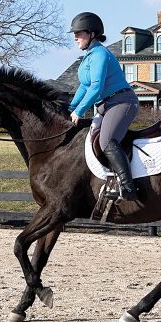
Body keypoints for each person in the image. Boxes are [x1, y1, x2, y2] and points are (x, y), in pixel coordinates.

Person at [68, 12, 139, 201]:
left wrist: (80, 111)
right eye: (74, 34)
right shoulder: (87, 58)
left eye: (79, 33)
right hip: (105, 106)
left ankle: (128, 186)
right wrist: (71, 107)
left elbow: (96, 87)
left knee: (106, 142)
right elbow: (84, 86)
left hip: (122, 102)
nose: (75, 37)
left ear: (92, 34)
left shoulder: (100, 54)